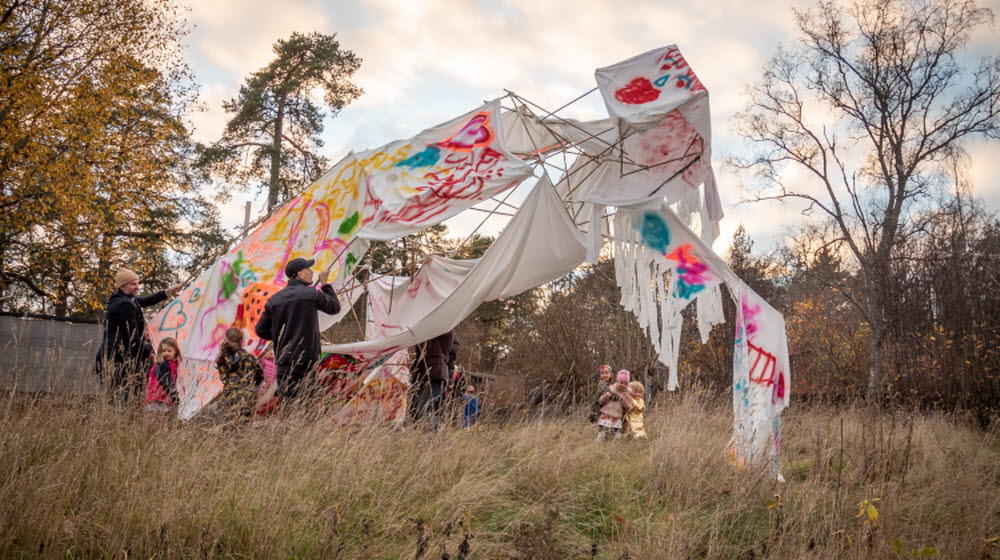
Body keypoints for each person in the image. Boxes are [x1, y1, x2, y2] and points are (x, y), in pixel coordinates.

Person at [254, 258, 340, 400]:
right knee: (306, 405)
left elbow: (260, 330)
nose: (312, 273)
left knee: (288, 404)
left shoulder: (274, 300)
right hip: (306, 361)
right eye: (309, 270)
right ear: (300, 274)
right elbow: (334, 307)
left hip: (284, 361)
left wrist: (280, 335)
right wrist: (325, 284)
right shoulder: (312, 294)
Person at [95, 268, 181, 405]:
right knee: (118, 398)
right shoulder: (124, 305)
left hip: (116, 357)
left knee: (120, 397)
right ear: (122, 286)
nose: (137, 287)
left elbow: (144, 301)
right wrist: (150, 354)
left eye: (137, 283)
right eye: (133, 284)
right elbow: (133, 338)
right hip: (114, 359)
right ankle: (117, 423)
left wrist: (168, 292)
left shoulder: (125, 299)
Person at [215, 328, 264, 421]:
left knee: (228, 428)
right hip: (247, 398)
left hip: (229, 397)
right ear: (241, 341)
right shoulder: (249, 358)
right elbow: (260, 376)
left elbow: (223, 379)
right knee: (243, 428)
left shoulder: (222, 359)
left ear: (225, 340)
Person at [408, 329, 455, 424]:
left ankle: (435, 434)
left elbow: (450, 361)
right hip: (422, 376)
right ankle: (431, 434)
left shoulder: (444, 334)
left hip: (436, 375)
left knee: (423, 410)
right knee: (417, 412)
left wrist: (450, 380)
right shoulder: (423, 337)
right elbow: (419, 359)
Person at [144, 337, 181, 419]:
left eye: (169, 351)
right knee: (154, 419)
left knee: (163, 421)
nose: (166, 353)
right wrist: (175, 396)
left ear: (175, 351)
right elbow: (166, 381)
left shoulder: (174, 364)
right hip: (157, 397)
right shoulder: (161, 364)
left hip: (166, 398)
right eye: (164, 351)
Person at [596, 370, 633, 442]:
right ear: (617, 381)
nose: (623, 385)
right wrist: (605, 397)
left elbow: (630, 408)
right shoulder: (611, 389)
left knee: (617, 431)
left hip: (617, 415)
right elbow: (600, 402)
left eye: (626, 383)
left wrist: (626, 404)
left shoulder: (627, 394)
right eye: (621, 383)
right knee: (602, 430)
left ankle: (616, 444)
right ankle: (599, 442)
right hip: (606, 413)